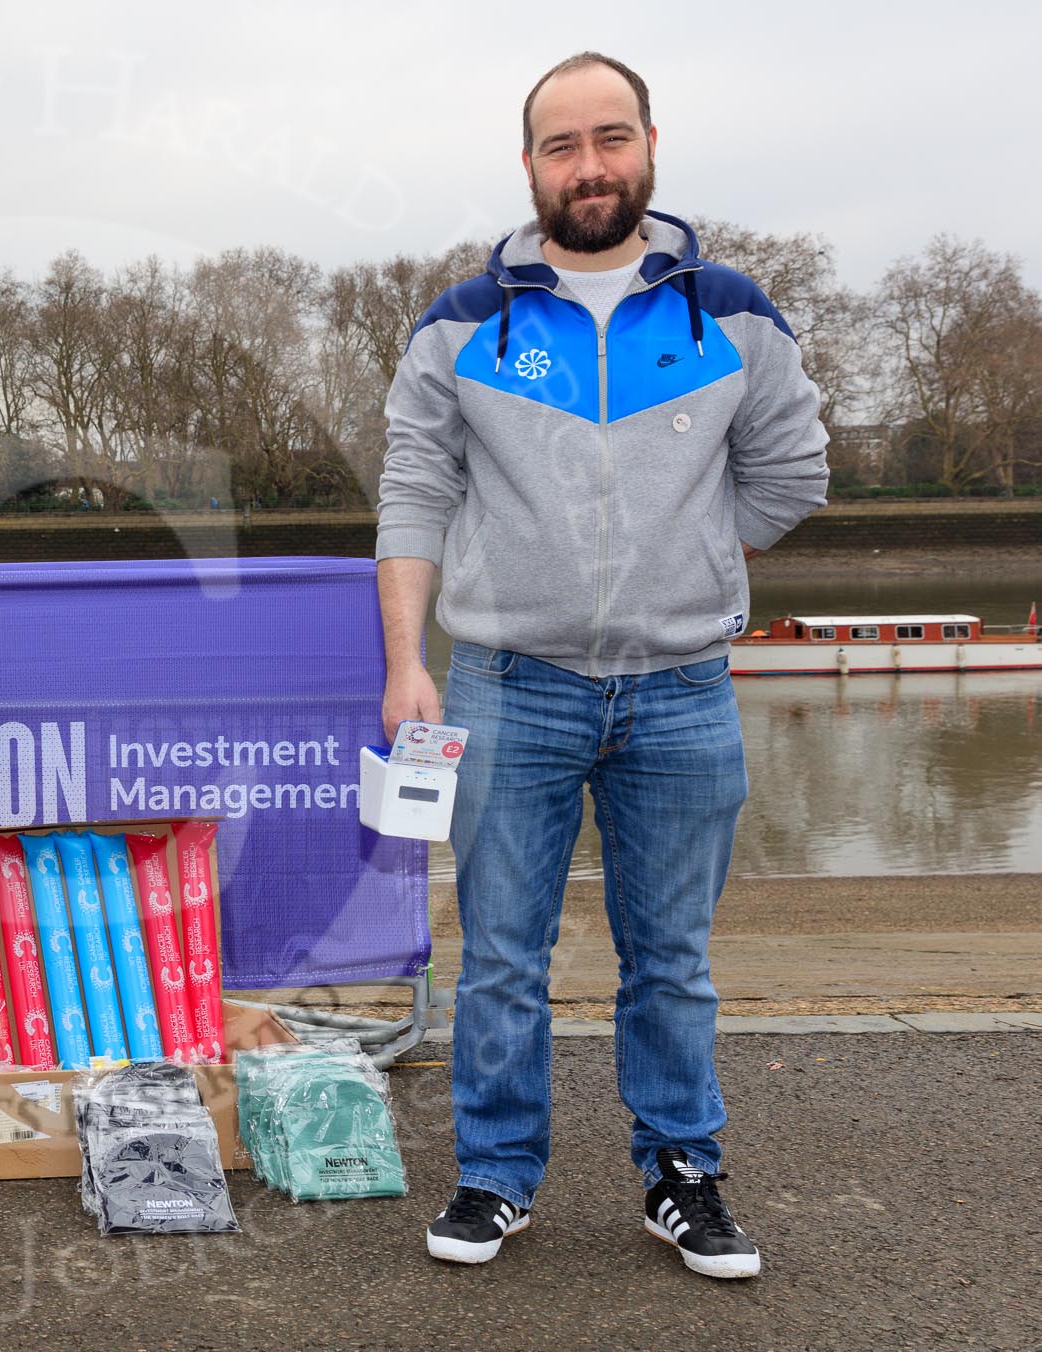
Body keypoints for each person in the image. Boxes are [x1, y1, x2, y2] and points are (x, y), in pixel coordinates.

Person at [375, 53, 829, 1279]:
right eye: (563, 145)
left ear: (649, 146)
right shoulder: (462, 323)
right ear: (528, 165)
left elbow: (793, 475)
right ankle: (494, 1175)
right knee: (502, 958)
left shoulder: (729, 309)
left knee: (671, 959)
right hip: (507, 686)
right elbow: (415, 491)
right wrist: (406, 662)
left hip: (684, 690)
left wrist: (680, 555)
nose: (590, 165)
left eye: (610, 138)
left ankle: (684, 1175)